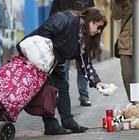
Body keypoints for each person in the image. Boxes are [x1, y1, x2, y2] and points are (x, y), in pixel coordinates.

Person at [21, 7, 107, 135]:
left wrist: (97, 82)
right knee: (48, 91)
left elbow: (85, 64)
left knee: (63, 88)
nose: (98, 31)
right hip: (36, 57)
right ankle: (51, 126)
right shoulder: (65, 19)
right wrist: (49, 56)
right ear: (90, 20)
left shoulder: (83, 37)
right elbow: (43, 32)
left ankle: (68, 122)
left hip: (54, 62)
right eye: (97, 26)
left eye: (101, 29)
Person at [49, 0, 95, 107]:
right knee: (63, 69)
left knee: (82, 67)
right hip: (65, 37)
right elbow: (53, 15)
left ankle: (84, 97)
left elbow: (93, 15)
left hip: (83, 37)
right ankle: (62, 97)